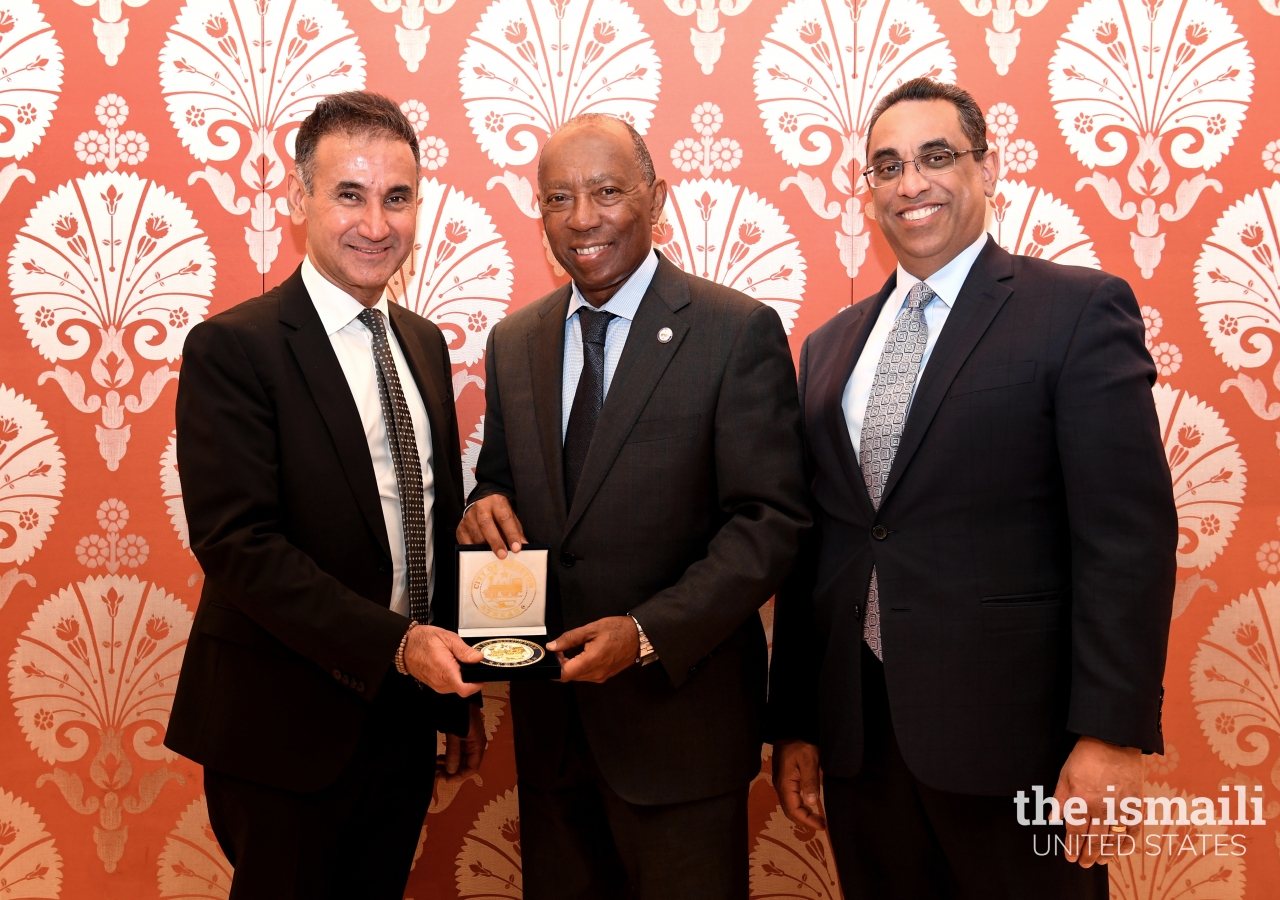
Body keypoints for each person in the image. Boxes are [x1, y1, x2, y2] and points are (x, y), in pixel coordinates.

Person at [768, 78, 1177, 899]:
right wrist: (798, 726)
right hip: (862, 749)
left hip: (1019, 748)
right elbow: (823, 547)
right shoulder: (828, 347)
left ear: (988, 170)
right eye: (886, 166)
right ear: (869, 192)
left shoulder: (1075, 309)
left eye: (936, 157)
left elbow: (1127, 536)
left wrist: (1111, 734)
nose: (910, 182)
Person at [458, 113, 810, 899]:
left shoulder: (734, 330)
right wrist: (484, 503)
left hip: (679, 734)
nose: (582, 218)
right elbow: (501, 478)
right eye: (558, 198)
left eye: (607, 191)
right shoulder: (516, 340)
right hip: (554, 735)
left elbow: (770, 523)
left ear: (657, 199)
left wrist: (649, 634)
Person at [165, 91, 486, 899]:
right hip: (283, 729)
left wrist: (450, 702)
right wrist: (396, 644)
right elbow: (239, 544)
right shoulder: (235, 348)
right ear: (299, 198)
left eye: (397, 197)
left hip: (404, 720)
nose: (376, 224)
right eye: (350, 194)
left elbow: (428, 527)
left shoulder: (422, 341)